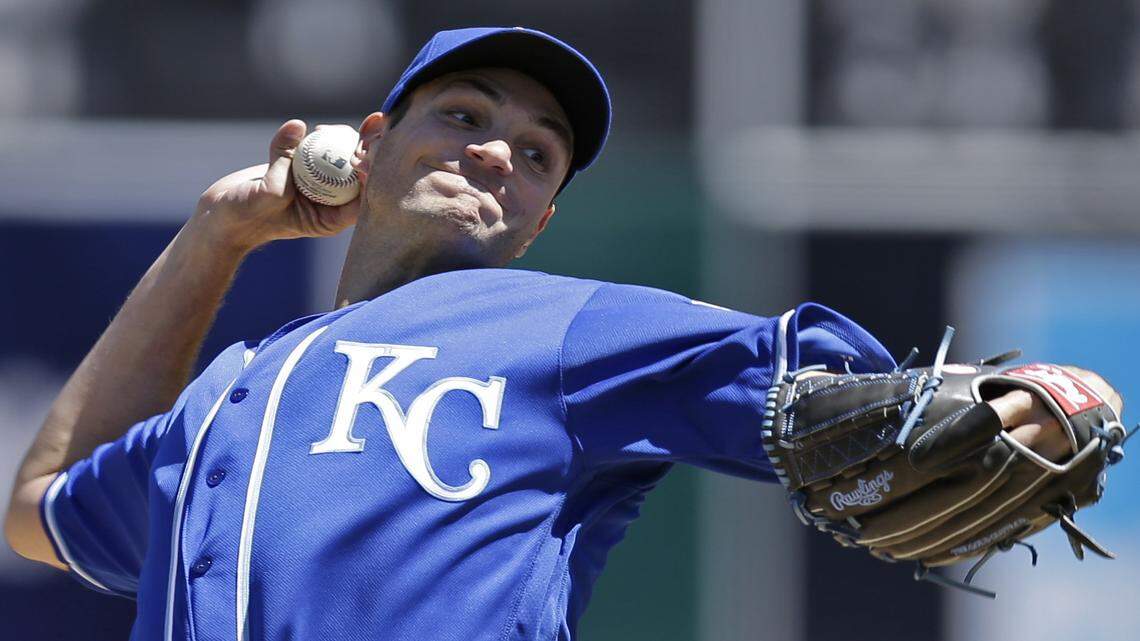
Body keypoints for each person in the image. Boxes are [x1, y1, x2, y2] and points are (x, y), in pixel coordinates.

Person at [2, 26, 1121, 641]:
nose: (499, 149)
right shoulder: (228, 394)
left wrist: (1019, 398)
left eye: (538, 154)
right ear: (374, 142)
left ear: (540, 220)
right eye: (467, 114)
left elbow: (829, 396)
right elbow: (41, 511)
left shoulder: (568, 325)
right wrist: (213, 236)